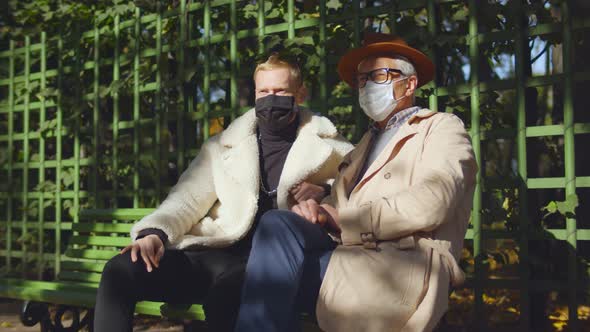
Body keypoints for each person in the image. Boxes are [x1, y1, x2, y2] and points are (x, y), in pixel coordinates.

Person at [235, 32, 478, 332]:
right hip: (348, 254)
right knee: (277, 224)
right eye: (361, 80)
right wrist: (317, 207)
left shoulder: (440, 128)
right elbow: (338, 204)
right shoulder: (366, 143)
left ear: (410, 83)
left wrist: (344, 219)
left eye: (377, 75)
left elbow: (433, 203)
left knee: (243, 285)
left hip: (398, 265)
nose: (365, 86)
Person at [93, 53, 353, 332]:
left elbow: (358, 199)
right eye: (264, 91)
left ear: (300, 94)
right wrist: (153, 234)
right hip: (214, 253)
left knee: (226, 296)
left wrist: (324, 192)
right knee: (119, 271)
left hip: (269, 264)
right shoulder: (223, 146)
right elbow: (186, 199)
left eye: (280, 91)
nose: (270, 99)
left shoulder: (332, 149)